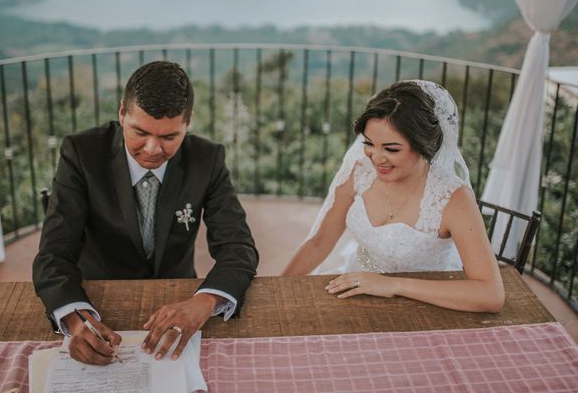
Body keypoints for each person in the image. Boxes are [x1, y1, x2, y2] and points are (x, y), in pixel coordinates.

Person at [33, 60, 259, 365]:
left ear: (187, 122)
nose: (153, 149)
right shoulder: (81, 153)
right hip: (97, 300)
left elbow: (238, 248)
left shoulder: (208, 159)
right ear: (122, 113)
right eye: (140, 132)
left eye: (169, 137)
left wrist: (204, 302)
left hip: (178, 295)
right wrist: (75, 319)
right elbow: (54, 253)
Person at [283, 80, 504, 312]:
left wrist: (392, 285)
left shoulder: (453, 198)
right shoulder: (359, 171)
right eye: (369, 143)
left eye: (391, 149)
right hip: (355, 291)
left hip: (425, 306)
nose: (376, 158)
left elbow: (491, 295)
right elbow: (319, 243)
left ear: (424, 146)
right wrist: (277, 287)